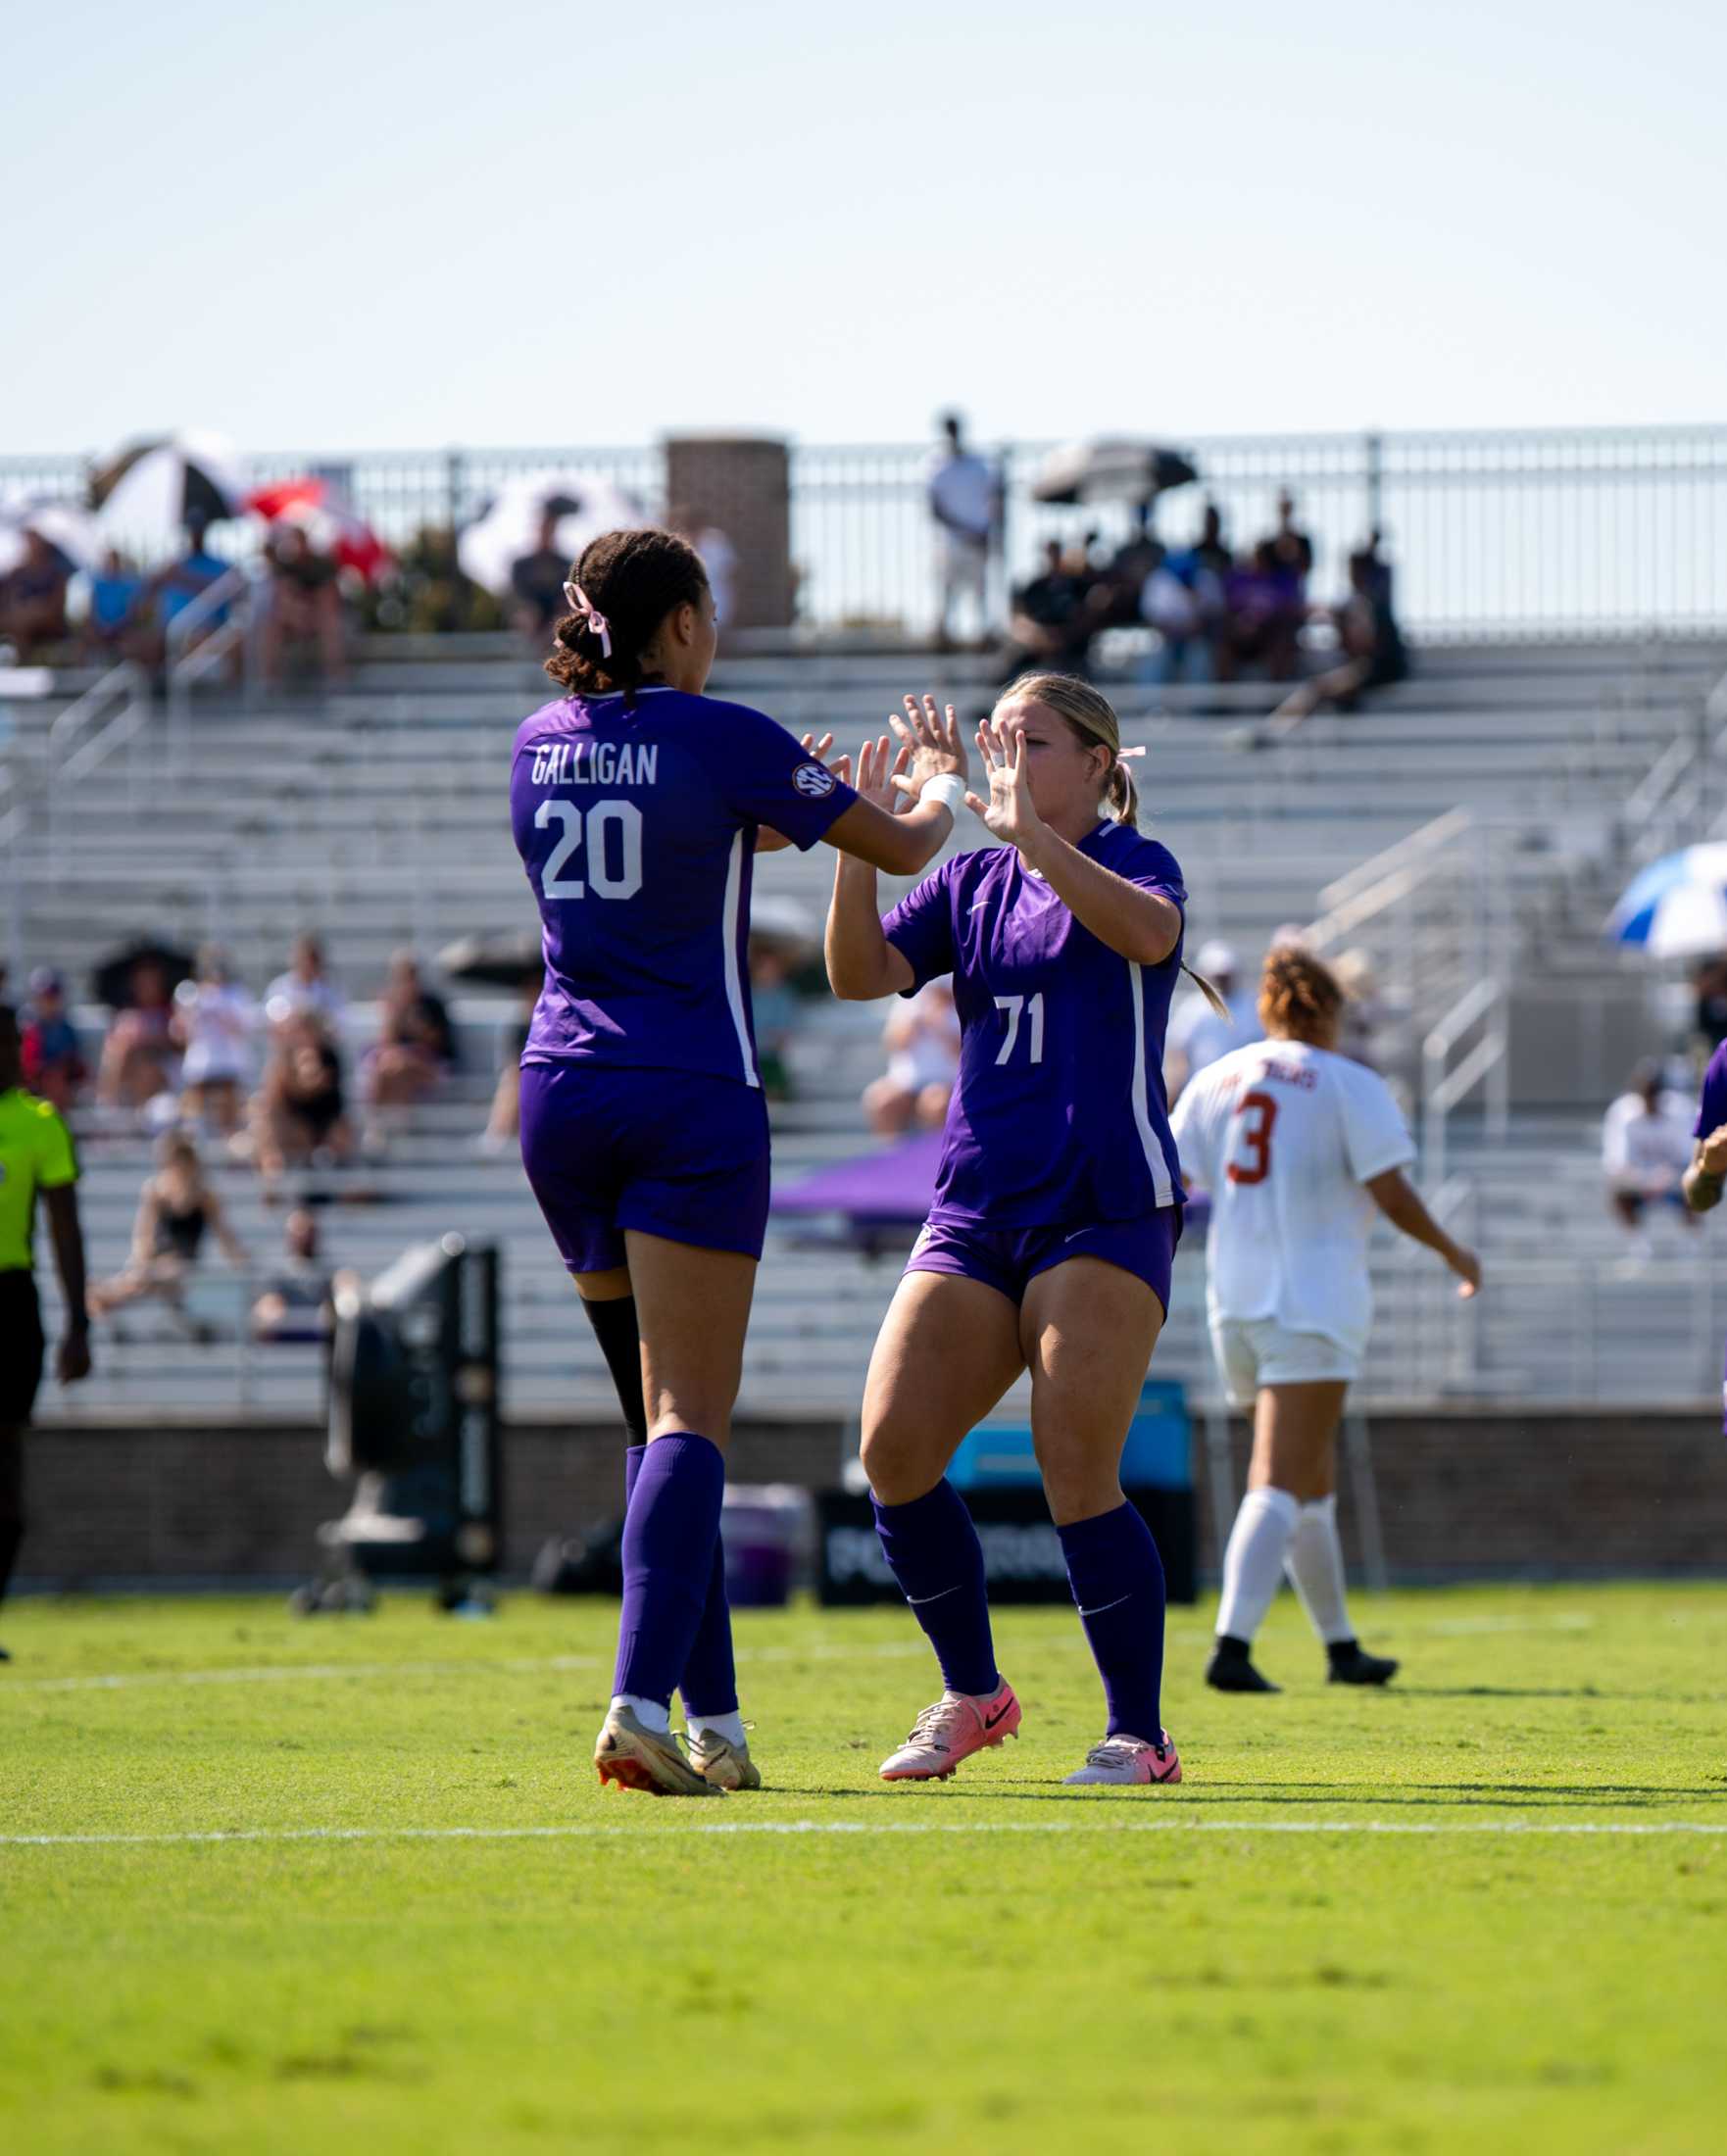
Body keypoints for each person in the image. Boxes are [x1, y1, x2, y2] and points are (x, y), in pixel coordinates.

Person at [511, 525, 966, 1797]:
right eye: (705, 614)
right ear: (674, 627)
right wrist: (936, 782)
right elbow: (907, 848)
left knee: (652, 1425)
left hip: (560, 1093)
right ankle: (638, 1706)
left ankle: (712, 1718)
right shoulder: (721, 732)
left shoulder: (538, 740)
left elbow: (674, 840)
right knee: (687, 1420)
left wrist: (777, 794)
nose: (716, 636)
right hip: (686, 1094)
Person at [828, 672, 1199, 1788]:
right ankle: (973, 1693)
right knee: (891, 1453)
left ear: (1096, 760)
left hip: (1105, 1204)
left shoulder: (1135, 861)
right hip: (980, 1204)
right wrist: (860, 839)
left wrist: (1035, 836)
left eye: (1031, 741)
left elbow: (1146, 934)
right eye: (999, 740)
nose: (1008, 757)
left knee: (1075, 1469)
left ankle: (1139, 1732)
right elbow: (856, 974)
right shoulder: (978, 878)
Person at [1170, 947, 1481, 1693]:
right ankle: (1232, 1648)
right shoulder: (1349, 1083)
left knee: (1310, 1482)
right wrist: (1455, 1253)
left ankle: (1341, 1649)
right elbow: (1392, 1192)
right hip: (1310, 1303)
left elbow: (1171, 1174)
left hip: (1235, 1303)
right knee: (1277, 1481)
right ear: (1331, 1011)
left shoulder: (1218, 1077)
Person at [0, 1004, 91, 1654]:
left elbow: (64, 1228)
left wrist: (78, 1322)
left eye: (12, 1043)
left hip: (8, 1304)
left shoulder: (39, 1124)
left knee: (4, 1465)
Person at [88, 1132, 248, 1330]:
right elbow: (143, 1233)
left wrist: (242, 1262)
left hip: (184, 1264)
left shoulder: (205, 1196)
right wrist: (141, 1261)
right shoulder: (156, 1191)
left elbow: (225, 1235)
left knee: (149, 1278)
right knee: (146, 1277)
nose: (178, 1168)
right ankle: (104, 1303)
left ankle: (104, 1297)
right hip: (156, 1262)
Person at [1602, 1061, 1698, 1262]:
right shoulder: (1622, 1113)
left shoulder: (1681, 1110)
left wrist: (1668, 1176)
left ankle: (1691, 1243)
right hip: (1639, 1180)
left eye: (1653, 1092)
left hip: (1674, 1179)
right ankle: (1639, 1246)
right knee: (1617, 1191)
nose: (1650, 1099)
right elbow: (1616, 1164)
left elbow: (1691, 1157)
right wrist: (1645, 1180)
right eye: (1646, 1093)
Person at [250, 1012, 354, 1188]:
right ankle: (272, 1183)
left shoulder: (330, 1056)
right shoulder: (282, 1060)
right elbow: (281, 1092)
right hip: (292, 1116)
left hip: (326, 1114)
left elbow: (325, 1088)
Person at [361, 953, 456, 1142]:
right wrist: (394, 1017)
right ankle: (383, 1127)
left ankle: (387, 1130)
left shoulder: (433, 1005)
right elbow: (386, 1043)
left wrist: (416, 1026)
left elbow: (437, 1045)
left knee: (398, 1065)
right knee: (387, 1068)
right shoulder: (394, 1006)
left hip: (433, 1065)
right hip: (398, 1067)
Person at [926, 414, 998, 650]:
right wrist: (964, 530)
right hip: (952, 541)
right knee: (947, 591)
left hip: (977, 539)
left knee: (979, 591)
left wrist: (985, 532)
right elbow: (935, 508)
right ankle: (944, 638)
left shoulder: (978, 465)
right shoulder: (936, 465)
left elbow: (992, 500)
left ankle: (982, 637)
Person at [172, 947, 257, 1135]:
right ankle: (192, 1136)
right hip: (201, 1060)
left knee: (230, 1100)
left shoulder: (238, 995)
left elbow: (243, 1028)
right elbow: (179, 1032)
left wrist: (220, 1014)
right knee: (194, 1101)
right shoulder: (190, 994)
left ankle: (231, 1137)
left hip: (230, 1059)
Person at [863, 976, 960, 1135]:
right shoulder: (909, 1002)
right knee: (881, 1103)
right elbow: (892, 1043)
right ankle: (895, 1157)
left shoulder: (963, 1005)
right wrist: (914, 1023)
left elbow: (963, 1053)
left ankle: (936, 1156)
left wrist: (939, 1026)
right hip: (906, 1081)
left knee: (936, 1104)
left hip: (946, 1079)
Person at [1165, 940, 1258, 1097]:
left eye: (1225, 975)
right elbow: (1178, 1054)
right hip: (1202, 1091)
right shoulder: (1192, 1009)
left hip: (1244, 1089)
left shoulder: (1251, 1005)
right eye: (1217, 976)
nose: (1221, 981)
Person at [260, 522, 346, 686]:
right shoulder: (284, 567)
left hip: (318, 618)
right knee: (272, 628)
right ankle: (269, 680)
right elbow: (282, 598)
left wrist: (307, 614)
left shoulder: (321, 566)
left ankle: (336, 677)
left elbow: (328, 599)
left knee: (330, 625)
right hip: (294, 619)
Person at [95, 956, 179, 1111]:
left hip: (164, 1068)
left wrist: (151, 1039)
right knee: (120, 1053)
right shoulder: (127, 1015)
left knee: (146, 1066)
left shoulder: (170, 1012)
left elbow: (178, 1044)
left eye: (151, 982)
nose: (147, 988)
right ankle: (108, 1104)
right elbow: (115, 1046)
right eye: (142, 983)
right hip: (131, 1067)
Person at [251, 1208, 336, 1343]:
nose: (302, 1235)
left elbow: (341, 1287)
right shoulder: (276, 1270)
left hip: (322, 1333)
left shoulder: (328, 1268)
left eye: (307, 1230)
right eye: (297, 1230)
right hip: (283, 1333)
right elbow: (268, 1303)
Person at [20, 968, 86, 1114]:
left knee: (58, 1079)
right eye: (45, 996)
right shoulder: (28, 1031)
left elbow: (77, 1067)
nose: (49, 1001)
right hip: (36, 1087)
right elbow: (26, 1067)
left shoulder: (67, 1030)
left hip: (63, 1088)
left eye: (53, 996)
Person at [0, 530, 71, 659]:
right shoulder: (17, 573)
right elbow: (8, 599)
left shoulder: (56, 575)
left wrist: (34, 610)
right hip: (17, 619)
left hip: (47, 624)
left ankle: (22, 663)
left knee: (22, 624)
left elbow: (56, 607)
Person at [510, 511, 570, 639]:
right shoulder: (521, 565)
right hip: (528, 621)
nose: (546, 534)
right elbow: (515, 596)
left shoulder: (564, 564)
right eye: (544, 529)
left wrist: (560, 617)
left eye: (550, 530)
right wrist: (526, 611)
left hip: (557, 621)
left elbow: (568, 597)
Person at [265, 936, 346, 1030]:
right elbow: (271, 1021)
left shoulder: (330, 988)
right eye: (301, 959)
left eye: (310, 960)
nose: (305, 965)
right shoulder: (279, 987)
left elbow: (339, 1020)